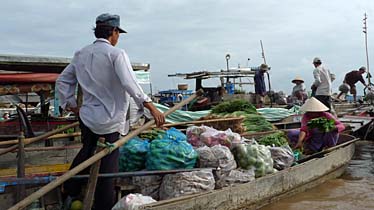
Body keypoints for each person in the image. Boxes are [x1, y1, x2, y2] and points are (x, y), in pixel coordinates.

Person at [56, 13, 165, 210]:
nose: (118, 38)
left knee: (87, 153)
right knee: (108, 164)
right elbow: (129, 83)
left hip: (87, 118)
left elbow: (63, 81)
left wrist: (71, 105)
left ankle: (69, 188)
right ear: (113, 32)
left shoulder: (81, 54)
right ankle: (103, 205)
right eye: (118, 33)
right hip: (110, 121)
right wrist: (151, 106)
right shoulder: (116, 54)